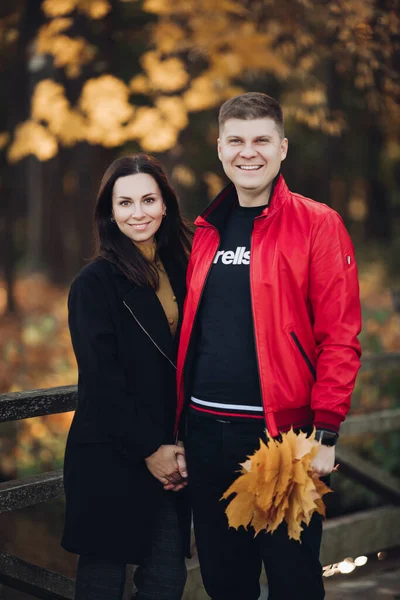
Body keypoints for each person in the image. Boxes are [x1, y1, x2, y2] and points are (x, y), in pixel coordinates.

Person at [175, 93, 362, 600]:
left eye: (261, 140)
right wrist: (176, 431)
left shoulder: (318, 224)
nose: (248, 152)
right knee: (224, 581)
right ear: (219, 149)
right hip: (206, 433)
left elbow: (339, 335)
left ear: (283, 148)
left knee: (294, 580)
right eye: (236, 141)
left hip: (282, 438)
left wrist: (326, 430)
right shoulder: (206, 230)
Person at [61, 154, 192, 600]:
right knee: (101, 585)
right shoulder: (93, 283)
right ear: (110, 212)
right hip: (113, 453)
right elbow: (101, 378)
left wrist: (178, 447)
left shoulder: (184, 269)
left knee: (166, 581)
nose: (138, 213)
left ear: (165, 206)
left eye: (148, 199)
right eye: (125, 203)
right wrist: (149, 449)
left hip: (171, 455)